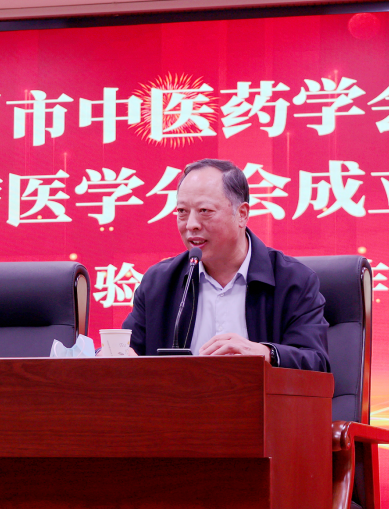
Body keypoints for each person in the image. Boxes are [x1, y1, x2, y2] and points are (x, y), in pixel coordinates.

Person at [122, 158, 330, 371]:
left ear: (242, 214)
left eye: (205, 211)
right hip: (177, 394)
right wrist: (116, 356)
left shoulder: (294, 280)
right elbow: (125, 350)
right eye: (182, 211)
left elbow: (316, 362)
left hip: (259, 394)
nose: (191, 224)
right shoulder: (158, 283)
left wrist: (266, 353)